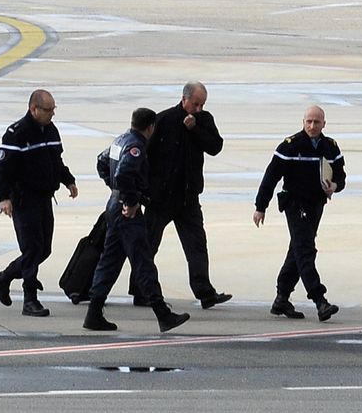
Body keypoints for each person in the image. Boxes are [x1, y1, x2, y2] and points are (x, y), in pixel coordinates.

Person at [84, 107, 190, 333]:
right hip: (125, 211)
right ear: (150, 127)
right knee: (143, 261)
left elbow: (102, 163)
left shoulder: (121, 139)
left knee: (110, 261)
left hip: (113, 207)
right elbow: (124, 174)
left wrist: (113, 188)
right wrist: (130, 201)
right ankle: (162, 313)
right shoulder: (136, 147)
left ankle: (93, 312)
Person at [129, 81, 232, 309]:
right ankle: (140, 290)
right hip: (160, 198)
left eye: (202, 104)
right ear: (184, 99)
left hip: (188, 198)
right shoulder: (163, 120)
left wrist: (194, 128)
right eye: (195, 104)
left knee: (196, 245)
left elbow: (216, 146)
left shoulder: (204, 120)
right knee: (148, 244)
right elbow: (145, 155)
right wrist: (144, 190)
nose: (198, 108)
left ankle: (205, 292)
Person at [0, 89, 78, 317]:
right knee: (32, 249)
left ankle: (4, 277)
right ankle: (30, 300)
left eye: (53, 110)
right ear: (34, 109)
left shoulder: (50, 130)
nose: (52, 114)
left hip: (44, 198)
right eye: (48, 110)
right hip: (23, 199)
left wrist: (68, 181)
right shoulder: (16, 133)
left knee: (44, 249)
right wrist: (4, 198)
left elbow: (56, 161)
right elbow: (0, 171)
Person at [253, 105, 346, 322]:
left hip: (316, 205)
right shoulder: (290, 146)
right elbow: (271, 177)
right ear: (303, 122)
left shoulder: (330, 147)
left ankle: (281, 298)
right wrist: (260, 206)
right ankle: (319, 300)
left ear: (324, 124)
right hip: (295, 204)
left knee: (296, 251)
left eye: (316, 122)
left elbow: (341, 175)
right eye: (308, 122)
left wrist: (335, 186)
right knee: (305, 250)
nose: (312, 126)